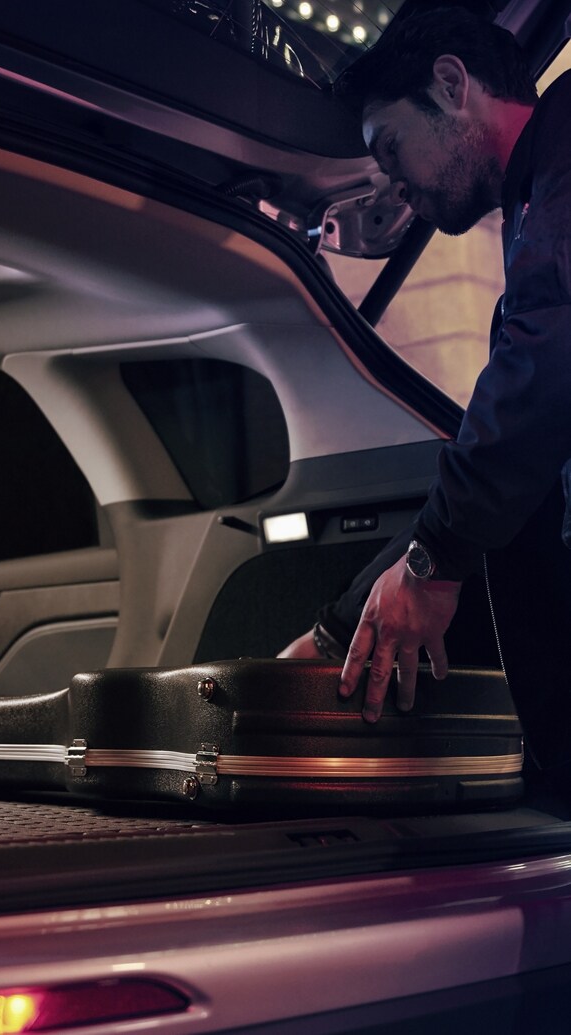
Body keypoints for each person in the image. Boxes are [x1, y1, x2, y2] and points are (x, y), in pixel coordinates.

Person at [279, 6, 571, 769]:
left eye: (390, 147)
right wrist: (338, 632)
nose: (395, 187)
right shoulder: (536, 202)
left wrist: (433, 560)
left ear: (451, 86)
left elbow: (543, 364)